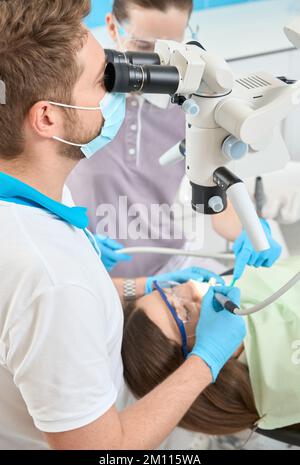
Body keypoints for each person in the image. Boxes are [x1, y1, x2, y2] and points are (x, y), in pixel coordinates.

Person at [0, 0, 246, 450]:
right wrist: (205, 362)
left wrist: (141, 286)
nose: (121, 89)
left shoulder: (40, 194)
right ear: (47, 117)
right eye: (104, 79)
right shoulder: (53, 281)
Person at [67, 0, 282, 286]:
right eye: (145, 46)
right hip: (89, 268)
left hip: (170, 266)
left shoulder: (194, 106)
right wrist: (73, 236)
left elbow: (218, 198)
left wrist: (252, 230)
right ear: (111, 28)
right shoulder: (73, 96)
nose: (162, 64)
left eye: (174, 49)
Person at [122, 256, 300, 435]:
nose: (191, 285)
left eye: (172, 290)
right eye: (183, 311)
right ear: (192, 358)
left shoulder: (229, 286)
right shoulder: (273, 390)